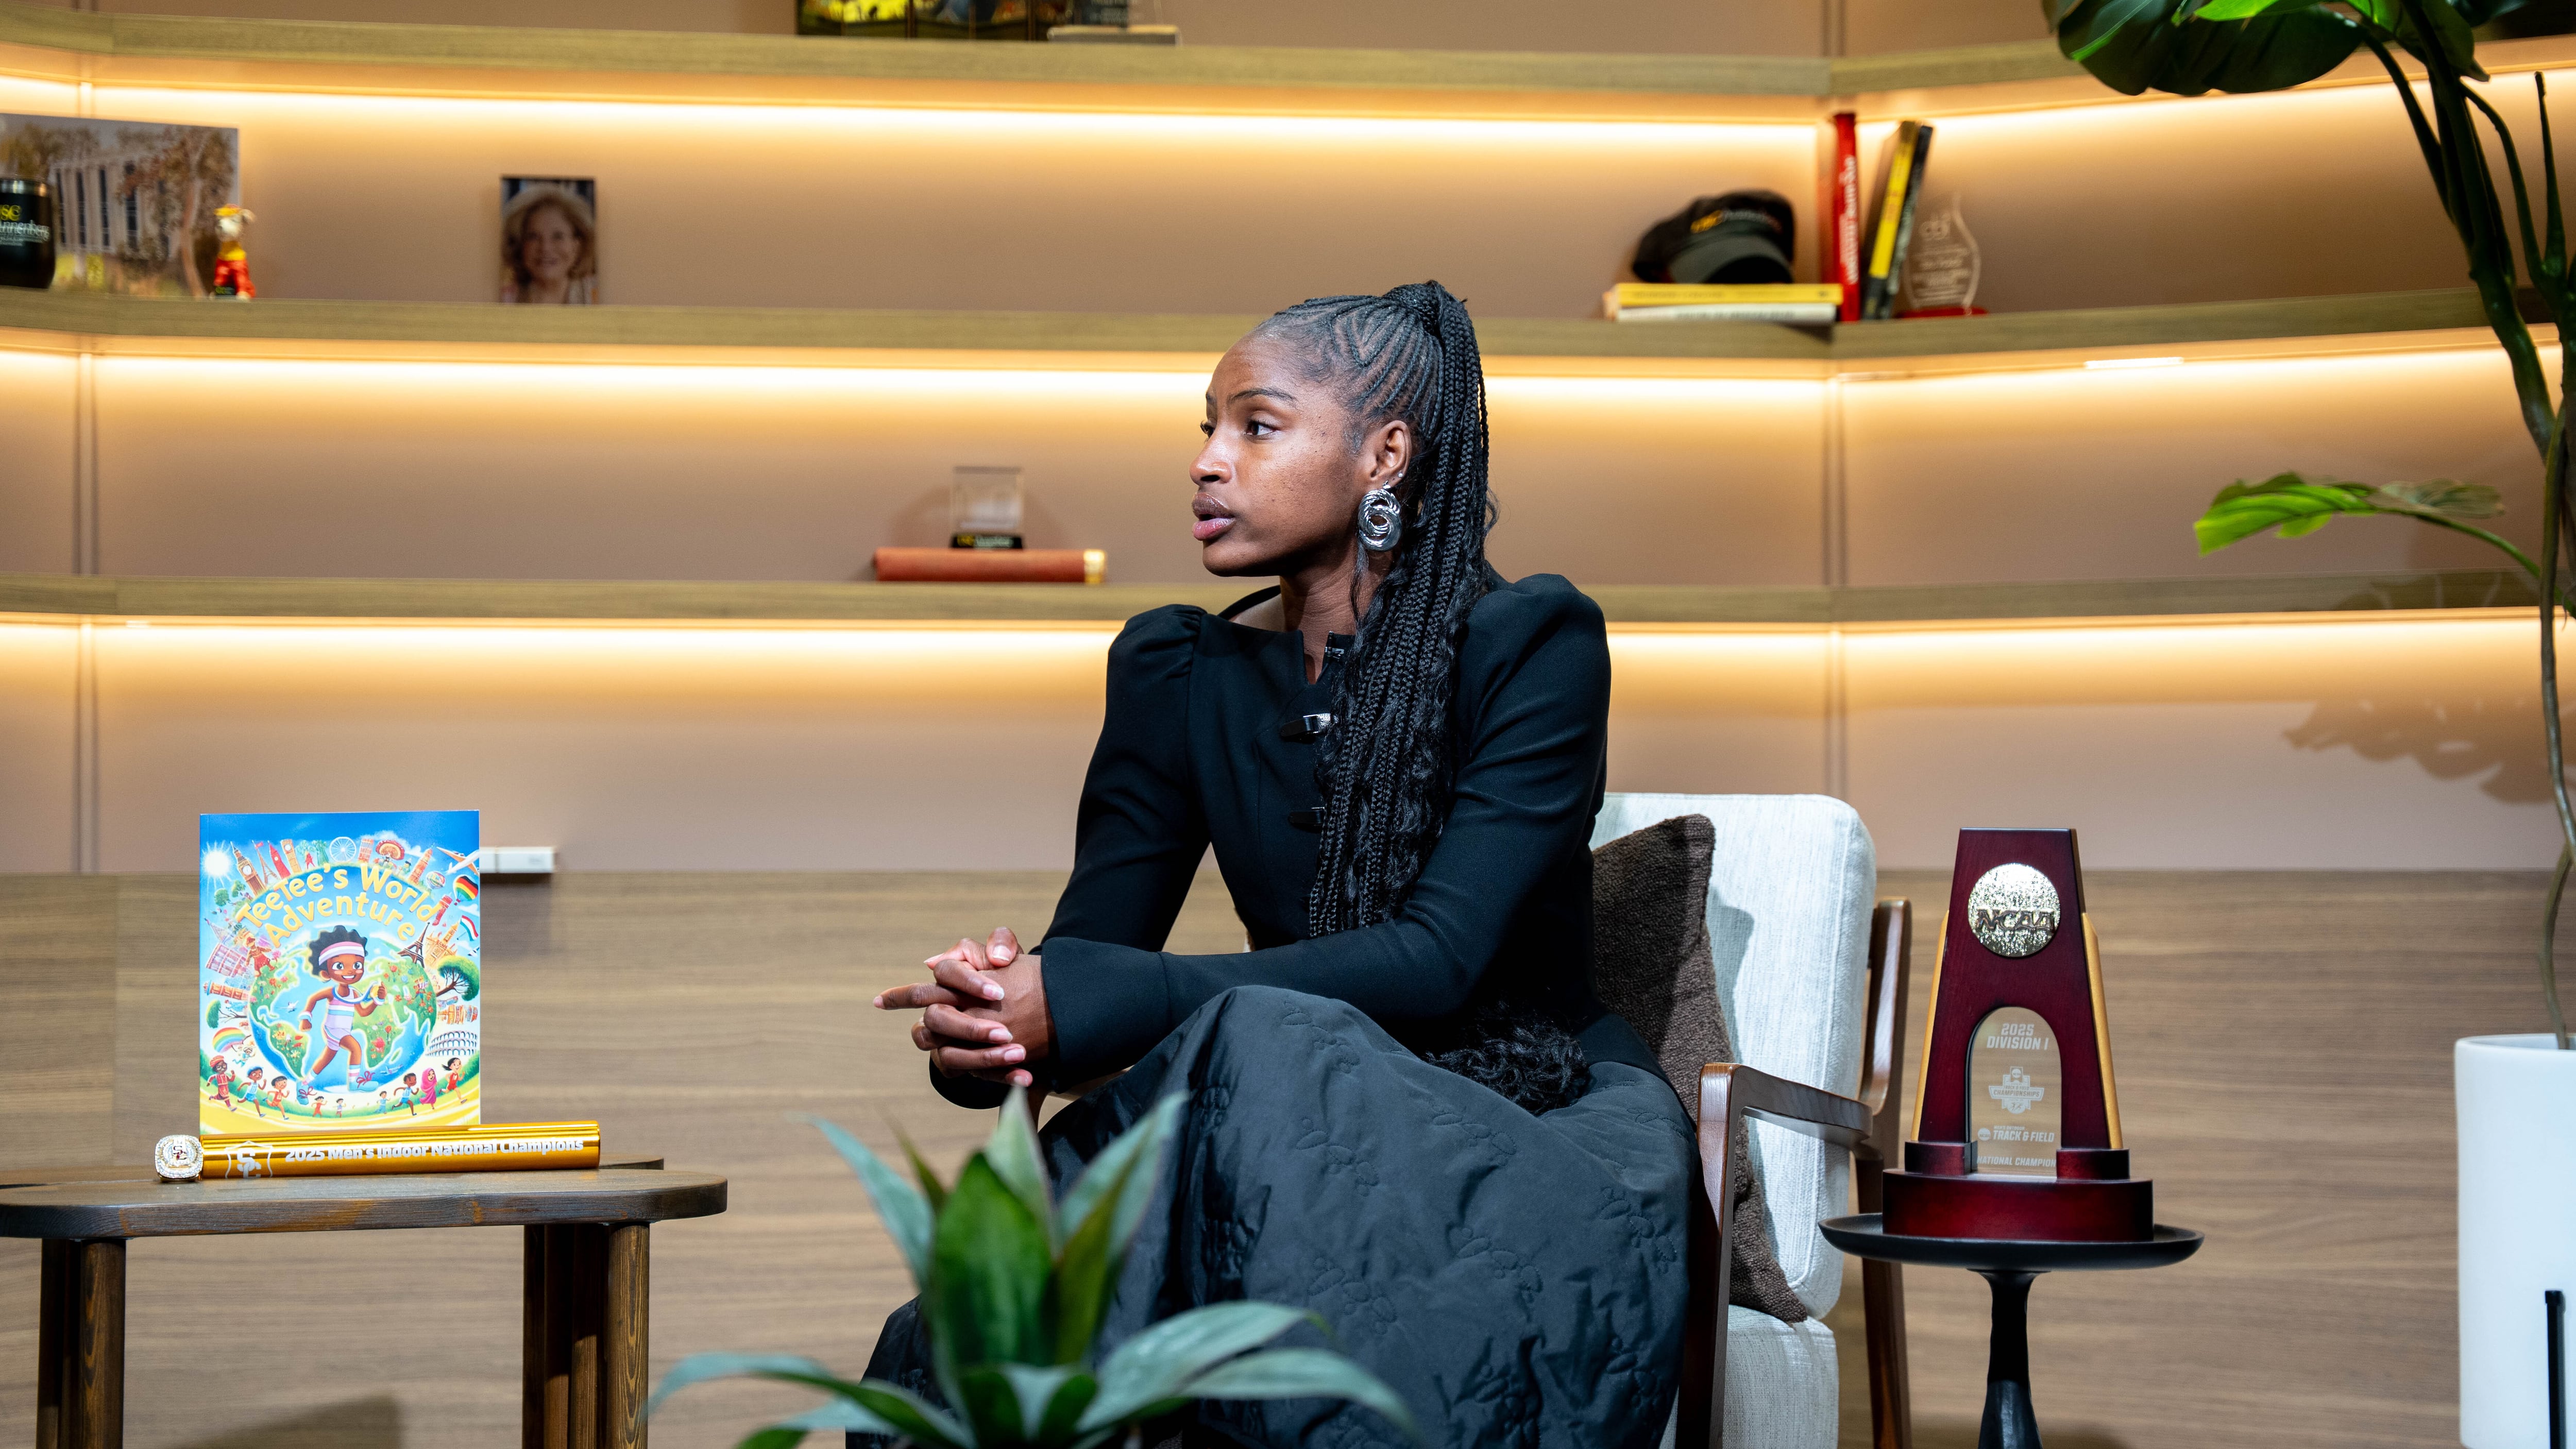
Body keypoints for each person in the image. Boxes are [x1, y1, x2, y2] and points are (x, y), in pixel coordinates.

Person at [865, 282, 1690, 1447]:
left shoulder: (1531, 643)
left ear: (1383, 454)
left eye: (1255, 426)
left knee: (1259, 1035)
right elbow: (1099, 954)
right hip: (1279, 1126)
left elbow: (1440, 959)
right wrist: (1000, 1020)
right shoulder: (1175, 665)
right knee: (1230, 1078)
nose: (1208, 462)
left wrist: (1092, 994)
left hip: (1536, 1125)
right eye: (1203, 427)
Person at [498, 184, 598, 305]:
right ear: (520, 245)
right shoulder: (502, 299)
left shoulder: (597, 297)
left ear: (577, 246)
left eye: (558, 237)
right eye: (533, 237)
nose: (545, 248)